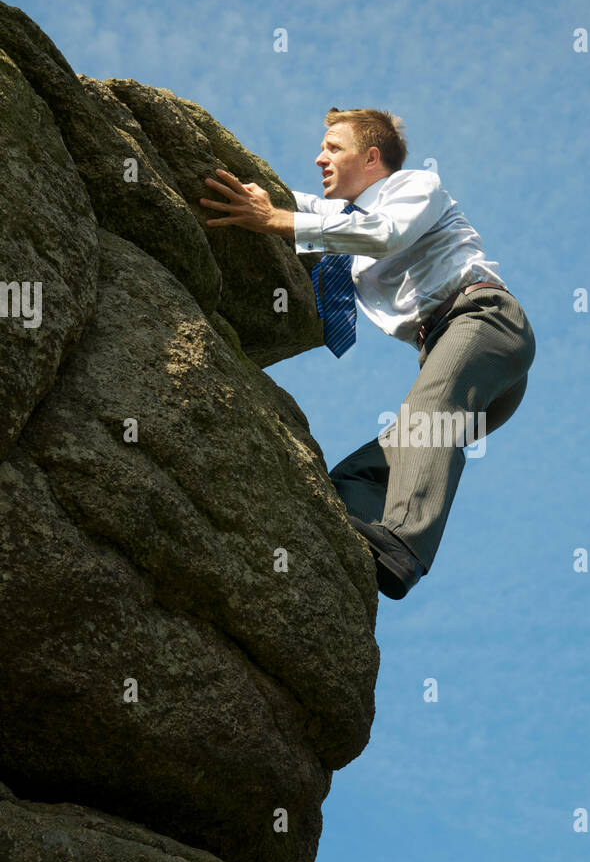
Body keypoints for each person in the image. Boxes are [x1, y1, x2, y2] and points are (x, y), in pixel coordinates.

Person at [200, 107, 536, 599]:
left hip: (482, 322)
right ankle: (351, 556)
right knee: (360, 473)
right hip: (451, 354)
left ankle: (403, 546)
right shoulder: (341, 217)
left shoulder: (414, 187)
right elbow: (294, 205)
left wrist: (276, 219)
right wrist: (256, 196)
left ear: (372, 157)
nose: (319, 158)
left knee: (427, 416)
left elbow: (384, 236)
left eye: (334, 147)